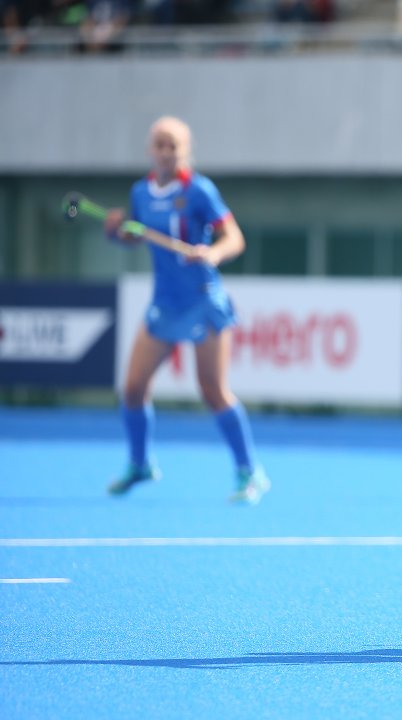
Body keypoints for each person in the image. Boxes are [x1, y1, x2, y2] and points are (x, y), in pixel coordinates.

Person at [104, 116, 270, 505]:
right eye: (159, 144)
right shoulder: (140, 193)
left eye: (173, 145)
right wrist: (116, 232)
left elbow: (234, 238)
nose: (165, 152)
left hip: (203, 301)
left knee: (213, 391)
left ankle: (250, 472)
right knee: (132, 389)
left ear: (185, 150)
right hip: (165, 302)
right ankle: (140, 463)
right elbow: (138, 237)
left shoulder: (199, 191)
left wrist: (211, 252)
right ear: (149, 149)